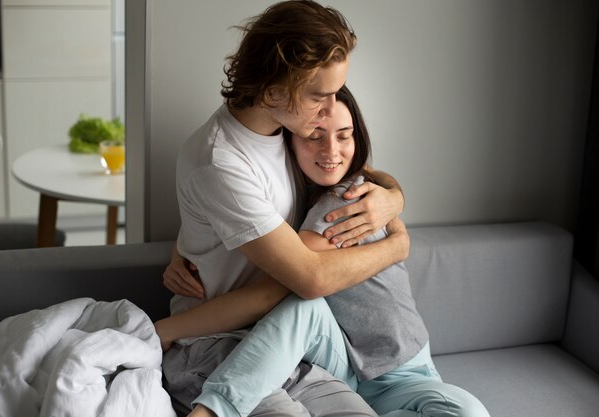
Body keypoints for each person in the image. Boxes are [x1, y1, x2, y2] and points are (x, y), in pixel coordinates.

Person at [159, 86, 490, 417]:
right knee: (307, 304)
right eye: (315, 136)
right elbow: (265, 270)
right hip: (343, 364)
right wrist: (397, 244)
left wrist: (395, 198)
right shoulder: (313, 204)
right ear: (291, 140)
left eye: (344, 136)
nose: (331, 150)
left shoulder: (355, 194)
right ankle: (214, 408)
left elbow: (369, 172)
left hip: (404, 375)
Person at [159, 1, 407, 416]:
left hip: (286, 341)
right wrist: (398, 246)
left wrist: (394, 197)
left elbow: (360, 169)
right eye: (319, 96)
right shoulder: (220, 161)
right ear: (274, 90)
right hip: (213, 346)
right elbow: (309, 279)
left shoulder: (289, 132)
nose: (330, 108)